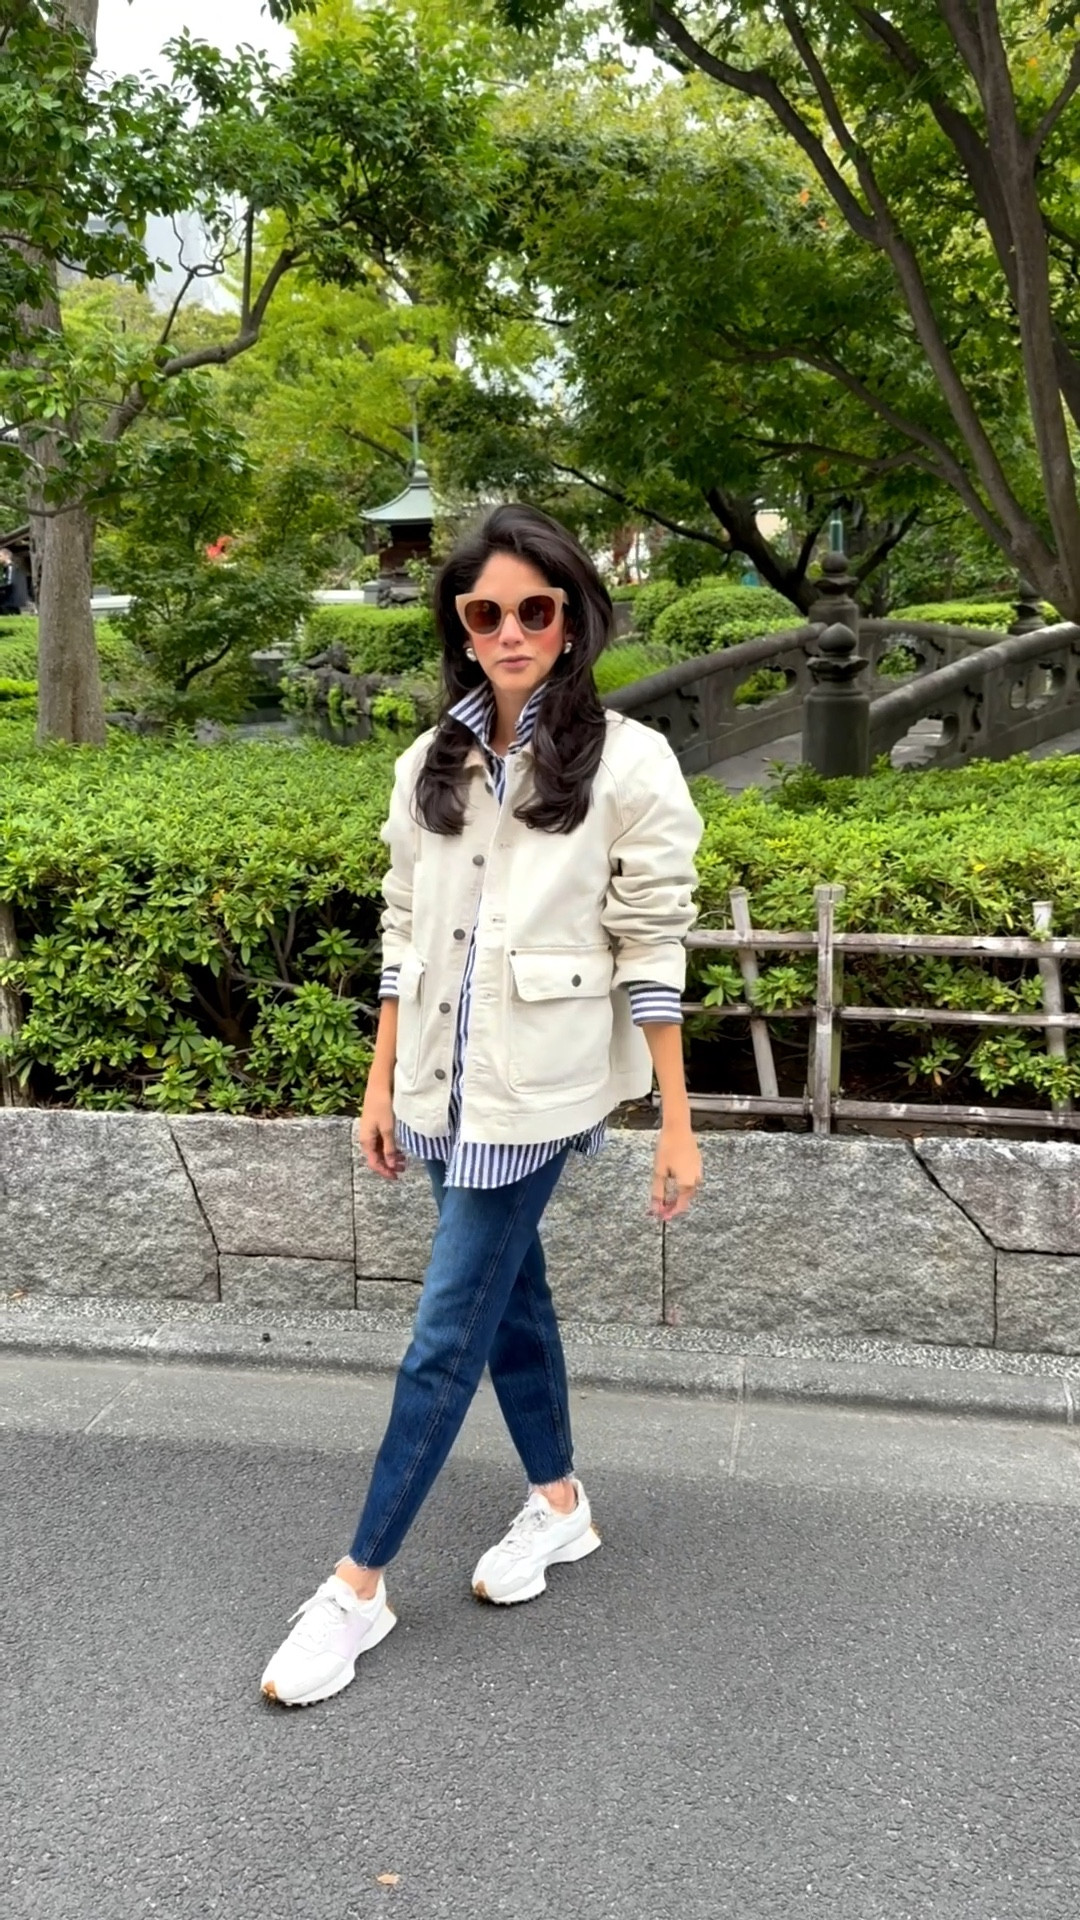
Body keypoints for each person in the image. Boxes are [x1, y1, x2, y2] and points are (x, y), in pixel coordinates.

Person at [260, 503, 705, 1709]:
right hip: (440, 1087)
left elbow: (652, 940)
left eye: (536, 608)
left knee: (445, 1333)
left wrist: (675, 1117)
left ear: (571, 617)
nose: (511, 631)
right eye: (485, 611)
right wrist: (381, 1081)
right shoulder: (428, 764)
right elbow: (404, 932)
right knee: (513, 1298)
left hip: (541, 1088)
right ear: (461, 626)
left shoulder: (628, 761)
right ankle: (560, 1504)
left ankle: (358, 1587)